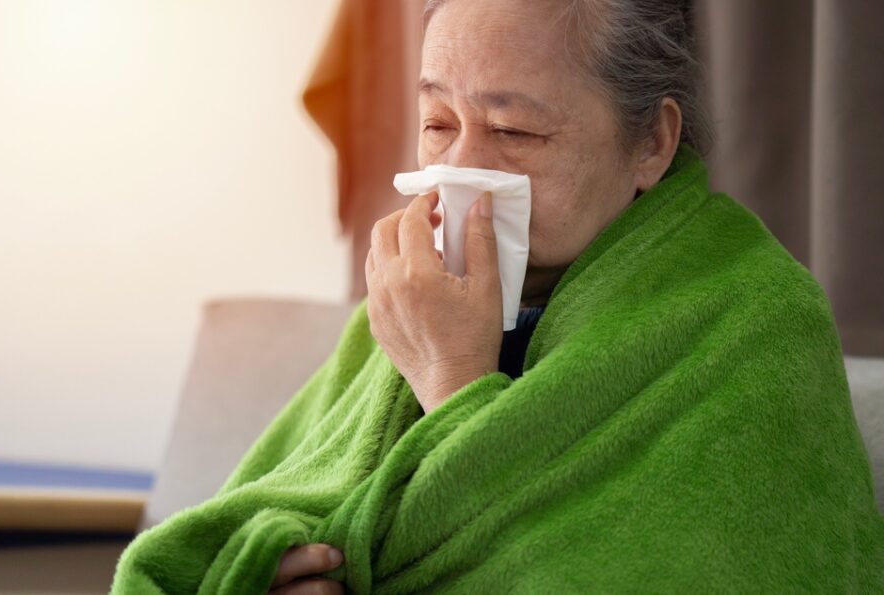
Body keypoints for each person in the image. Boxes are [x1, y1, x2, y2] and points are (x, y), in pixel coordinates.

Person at [112, 1, 884, 593]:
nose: (462, 171)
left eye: (515, 133)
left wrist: (451, 372)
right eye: (438, 123)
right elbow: (244, 530)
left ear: (651, 142)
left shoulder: (754, 326)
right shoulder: (395, 311)